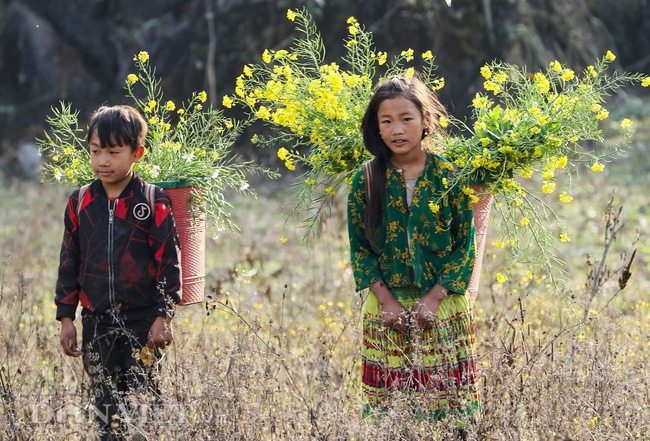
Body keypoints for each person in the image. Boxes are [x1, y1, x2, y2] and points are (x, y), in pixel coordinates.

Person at [347, 75, 480, 428]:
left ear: (426, 121)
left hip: (443, 306)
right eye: (386, 121)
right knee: (392, 415)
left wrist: (435, 298)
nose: (397, 129)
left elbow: (465, 247)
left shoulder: (450, 176)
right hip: (387, 311)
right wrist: (387, 302)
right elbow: (360, 249)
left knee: (452, 414)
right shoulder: (367, 180)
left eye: (406, 118)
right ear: (376, 128)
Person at [55, 105, 182, 440]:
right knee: (105, 408)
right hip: (96, 322)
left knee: (143, 402)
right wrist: (66, 317)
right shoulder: (80, 201)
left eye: (113, 152)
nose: (102, 161)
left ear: (136, 153)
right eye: (95, 151)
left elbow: (170, 261)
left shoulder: (153, 200)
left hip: (142, 322)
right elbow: (70, 259)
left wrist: (164, 317)